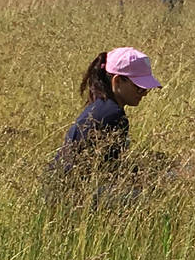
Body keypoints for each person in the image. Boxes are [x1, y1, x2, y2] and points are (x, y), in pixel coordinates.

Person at [51, 46, 162, 201]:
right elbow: (111, 173)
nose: (144, 93)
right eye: (139, 88)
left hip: (60, 193)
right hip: (73, 198)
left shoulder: (100, 106)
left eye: (146, 89)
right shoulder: (114, 115)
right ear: (117, 81)